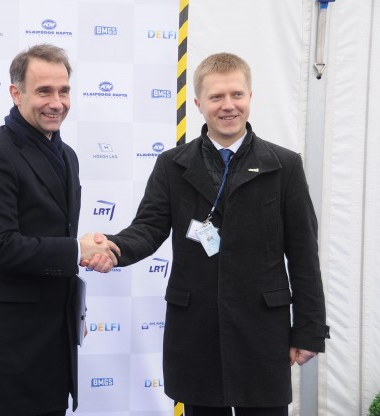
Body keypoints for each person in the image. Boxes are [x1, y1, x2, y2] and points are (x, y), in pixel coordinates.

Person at [83, 52, 329, 416]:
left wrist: (309, 330)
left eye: (236, 94)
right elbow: (148, 228)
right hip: (196, 331)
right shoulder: (171, 165)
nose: (228, 105)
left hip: (262, 331)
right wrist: (113, 247)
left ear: (250, 97)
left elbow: (304, 254)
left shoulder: (285, 166)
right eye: (216, 97)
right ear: (198, 104)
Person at [0, 44, 119, 416]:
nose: (57, 103)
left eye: (64, 91)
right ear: (17, 93)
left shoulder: (68, 155)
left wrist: (72, 309)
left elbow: (56, 235)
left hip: (53, 343)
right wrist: (78, 251)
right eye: (44, 91)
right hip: (4, 351)